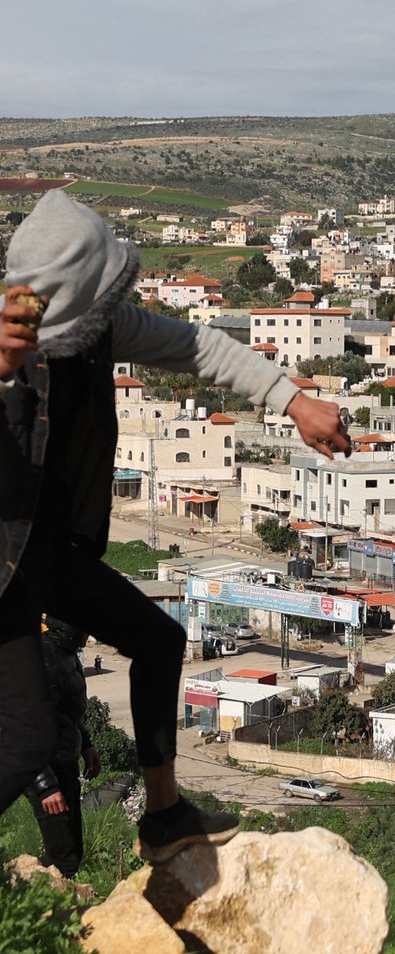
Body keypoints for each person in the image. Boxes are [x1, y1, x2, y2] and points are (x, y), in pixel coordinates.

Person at [0, 191, 350, 861]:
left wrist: (293, 400)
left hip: (48, 550)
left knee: (160, 640)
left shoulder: (97, 330)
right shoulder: (9, 341)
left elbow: (198, 346)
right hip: (3, 566)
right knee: (23, 739)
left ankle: (164, 816)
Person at [25, 618, 100, 880]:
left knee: (72, 853)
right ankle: (36, 899)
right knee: (62, 859)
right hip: (42, 768)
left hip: (64, 762)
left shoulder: (67, 654)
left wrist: (87, 745)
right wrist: (44, 785)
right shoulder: (42, 657)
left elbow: (66, 712)